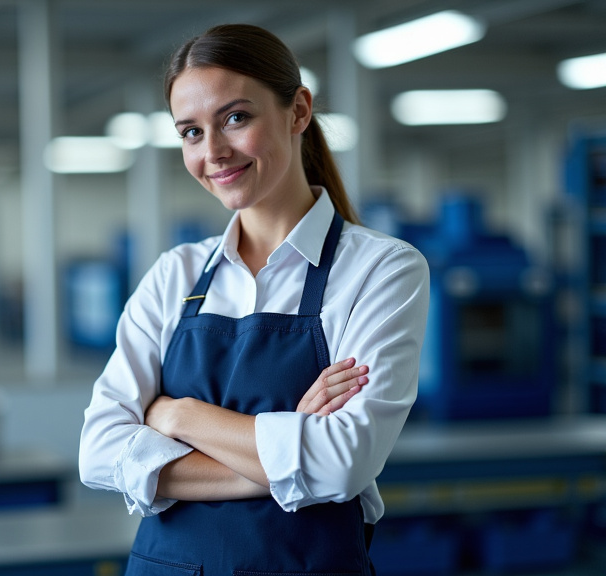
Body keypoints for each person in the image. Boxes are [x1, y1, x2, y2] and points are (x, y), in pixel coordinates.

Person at [78, 23, 430, 576]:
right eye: (190, 132)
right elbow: (99, 450)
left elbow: (342, 464)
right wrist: (288, 451)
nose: (213, 152)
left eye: (235, 118)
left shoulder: (381, 270)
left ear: (298, 111)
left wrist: (177, 413)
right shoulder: (176, 274)